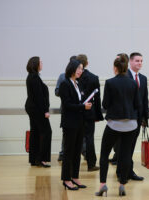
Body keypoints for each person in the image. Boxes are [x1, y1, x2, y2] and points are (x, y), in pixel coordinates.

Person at [95, 55, 140, 197]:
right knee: (126, 155)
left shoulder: (110, 83)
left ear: (115, 68)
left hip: (114, 124)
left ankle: (103, 185)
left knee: (104, 154)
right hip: (131, 124)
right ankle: (122, 185)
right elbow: (137, 104)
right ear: (126, 68)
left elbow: (105, 104)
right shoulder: (133, 83)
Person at [59, 59, 92, 190]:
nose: (81, 71)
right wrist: (83, 106)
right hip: (70, 123)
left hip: (79, 123)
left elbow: (78, 102)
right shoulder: (65, 84)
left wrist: (85, 104)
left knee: (77, 151)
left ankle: (75, 177)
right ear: (72, 68)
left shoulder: (76, 83)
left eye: (82, 69)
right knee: (68, 152)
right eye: (79, 68)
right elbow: (67, 105)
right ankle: (66, 179)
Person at [124, 52, 149, 181]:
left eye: (141, 61)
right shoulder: (125, 76)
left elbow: (144, 99)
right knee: (125, 147)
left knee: (132, 146)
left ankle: (129, 172)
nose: (139, 63)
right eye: (137, 61)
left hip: (138, 118)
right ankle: (122, 172)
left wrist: (145, 118)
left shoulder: (143, 78)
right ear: (130, 62)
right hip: (127, 118)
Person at [77, 54, 104, 171]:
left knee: (76, 138)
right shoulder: (94, 77)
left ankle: (74, 163)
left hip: (76, 111)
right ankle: (91, 164)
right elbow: (97, 99)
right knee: (89, 138)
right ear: (87, 63)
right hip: (90, 112)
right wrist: (98, 115)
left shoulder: (74, 77)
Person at [25, 56, 52, 168]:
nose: (41, 64)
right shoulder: (34, 77)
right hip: (37, 110)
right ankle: (41, 159)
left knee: (35, 132)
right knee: (46, 132)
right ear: (35, 64)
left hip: (33, 108)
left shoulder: (32, 76)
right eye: (40, 62)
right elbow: (39, 97)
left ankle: (34, 159)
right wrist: (45, 111)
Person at [109, 53, 130, 165]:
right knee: (116, 141)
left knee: (123, 142)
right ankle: (116, 156)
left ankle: (119, 159)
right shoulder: (112, 81)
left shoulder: (129, 78)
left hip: (125, 116)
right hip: (116, 116)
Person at [55, 55, 76, 162]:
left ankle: (82, 152)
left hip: (78, 109)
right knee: (66, 132)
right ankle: (63, 153)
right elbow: (56, 91)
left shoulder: (80, 77)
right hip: (66, 108)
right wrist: (66, 92)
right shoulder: (62, 76)